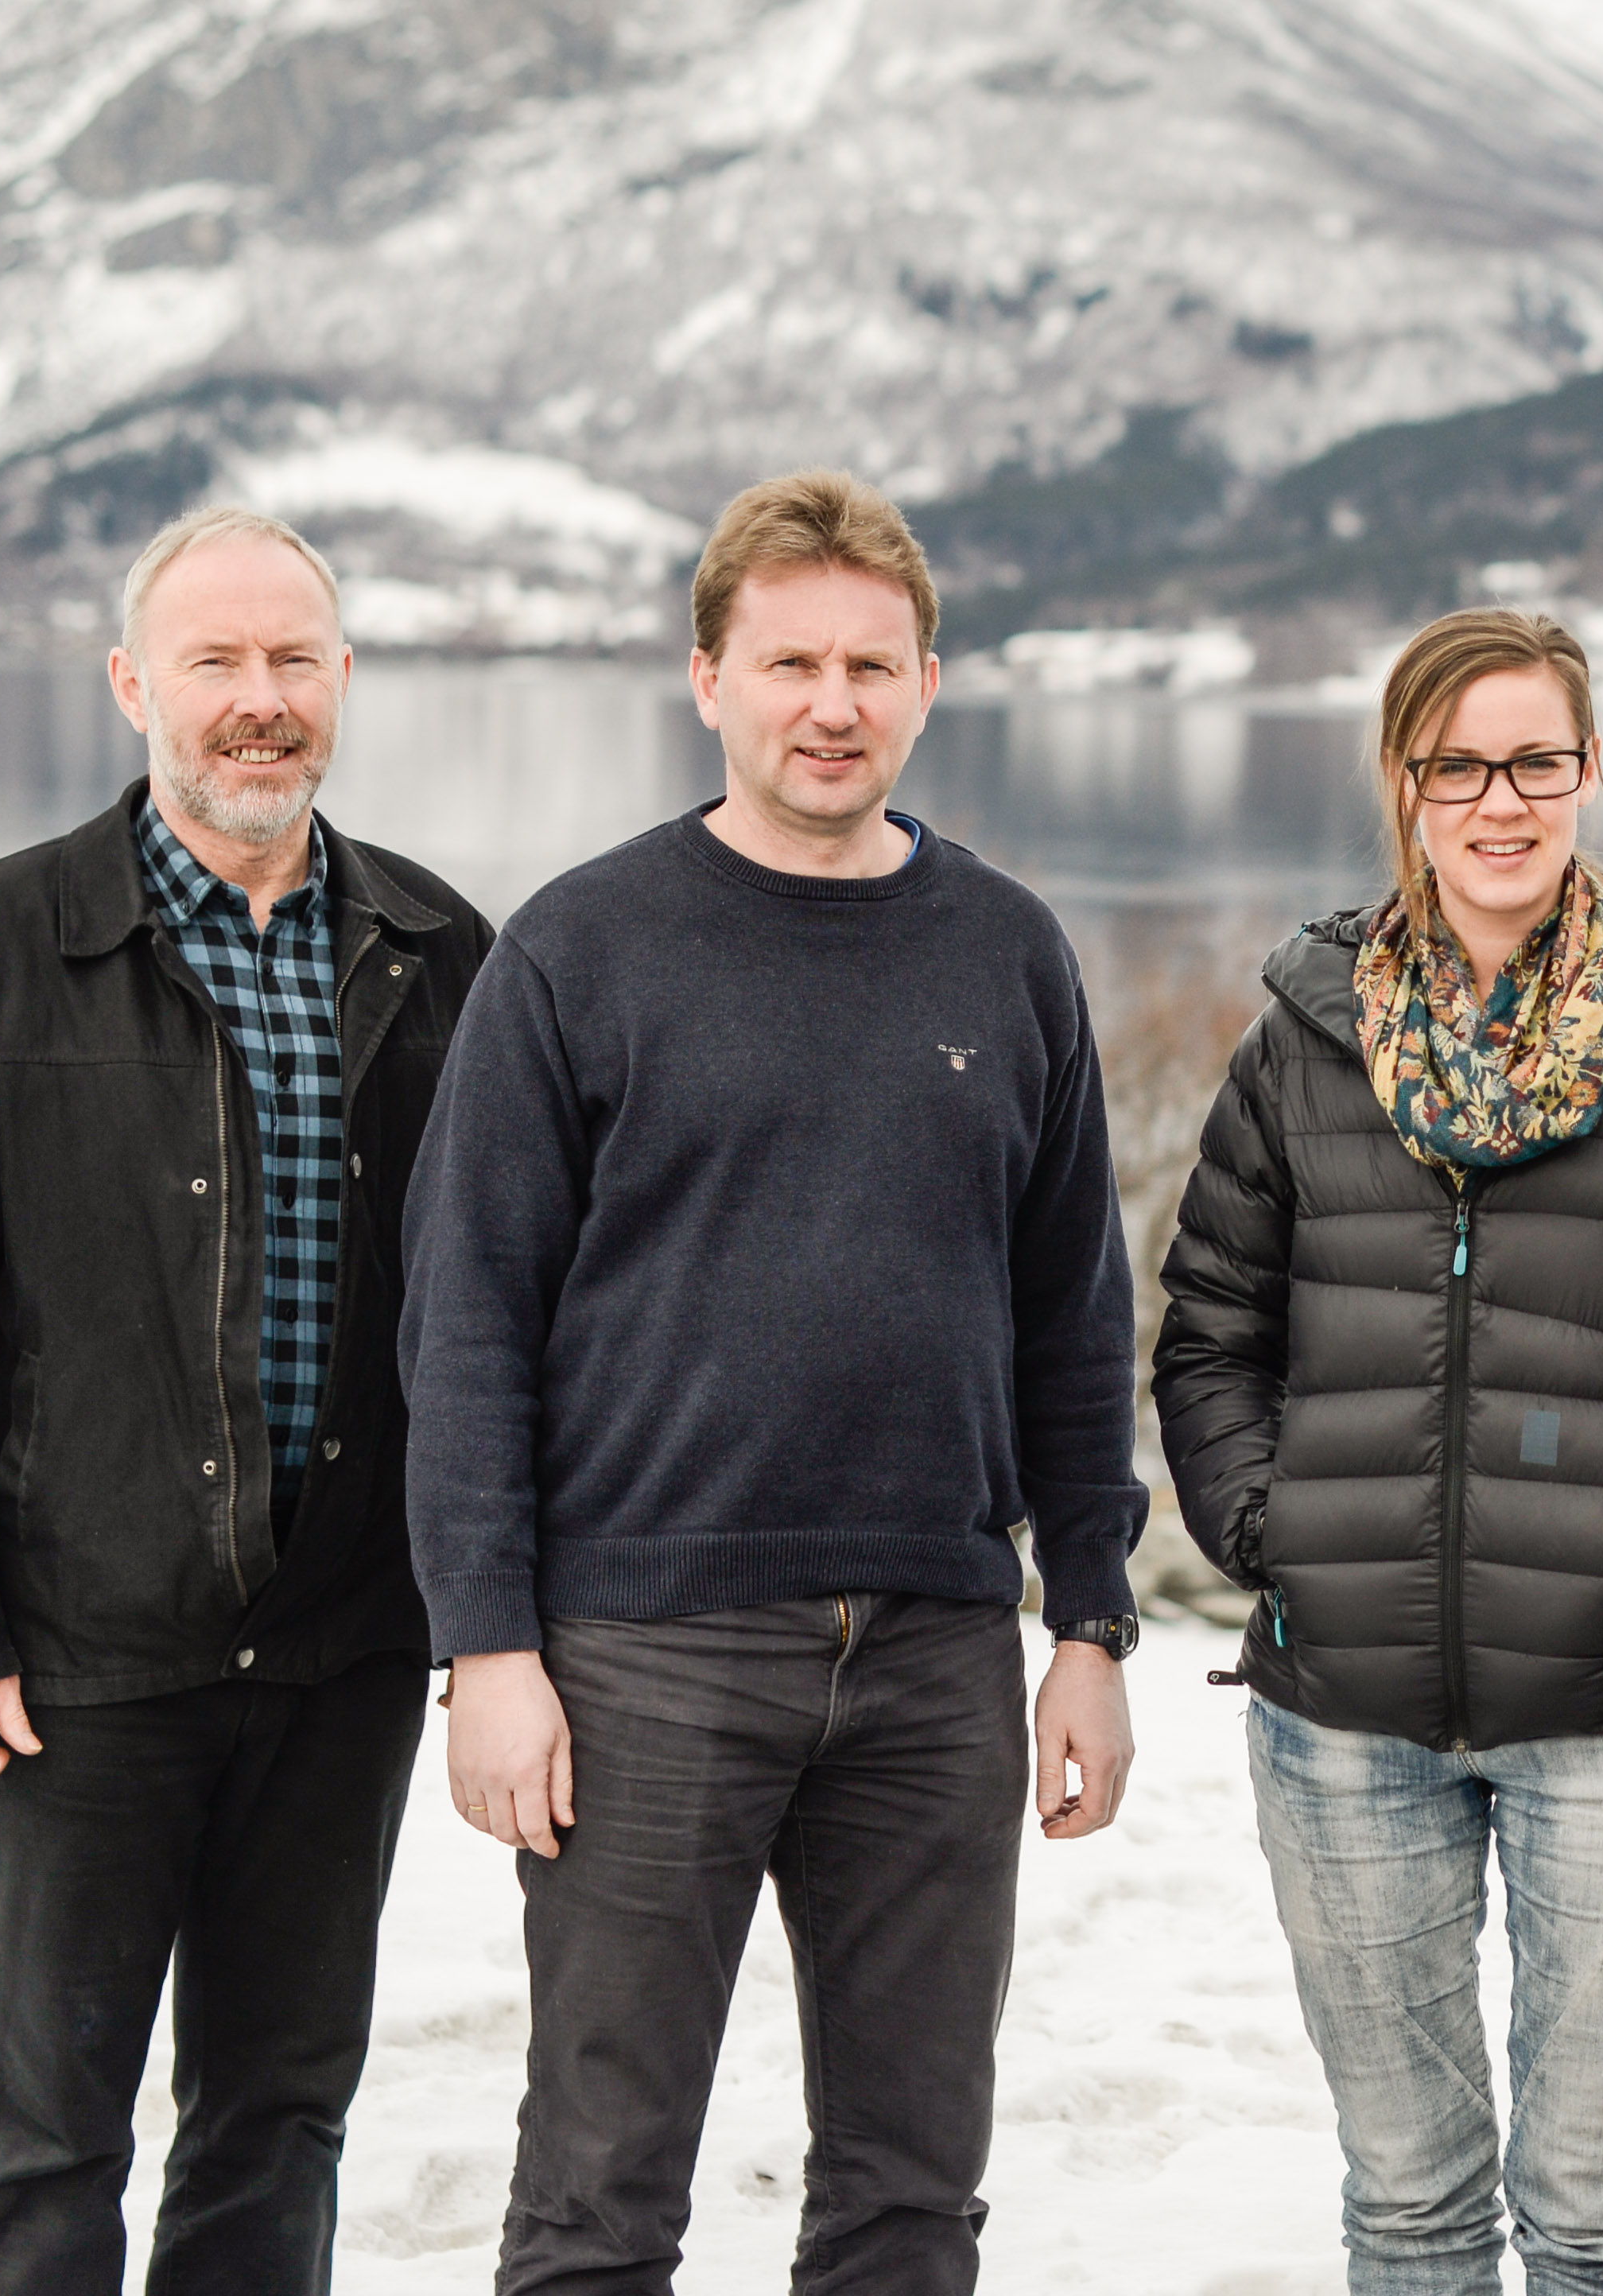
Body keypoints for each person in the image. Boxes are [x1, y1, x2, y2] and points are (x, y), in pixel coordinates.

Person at [401, 470, 1147, 2294]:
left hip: (935, 1648)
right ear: (708, 677)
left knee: (907, 2199)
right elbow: (469, 1322)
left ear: (927, 685)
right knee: (597, 2198)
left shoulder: (1008, 946)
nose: (834, 703)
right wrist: (484, 1647)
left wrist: (1096, 1623)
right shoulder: (580, 949)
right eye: (793, 662)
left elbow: (1072, 1312)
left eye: (872, 666)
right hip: (644, 1645)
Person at [1154, 606, 1603, 2296]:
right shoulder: (1303, 1041)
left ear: (1586, 771)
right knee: (1404, 2202)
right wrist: (1278, 1536)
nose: (1497, 802)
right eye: (1455, 764)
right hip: (1342, 1719)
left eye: (1534, 761)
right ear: (1401, 784)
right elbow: (1209, 1328)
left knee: (1596, 2207)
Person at [0, 507, 491, 2293]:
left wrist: (493, 1607)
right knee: (52, 2143)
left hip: (343, 1646)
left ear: (343, 683)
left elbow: (499, 1317)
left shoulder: (445, 954)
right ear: (136, 684)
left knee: (278, 2120)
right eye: (216, 662)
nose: (257, 701)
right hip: (75, 1657)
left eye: (293, 662)